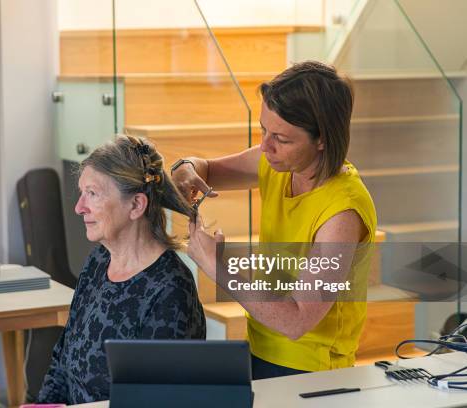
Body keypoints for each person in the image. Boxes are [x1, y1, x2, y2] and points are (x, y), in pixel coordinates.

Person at [172, 61, 376, 379]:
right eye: (264, 129)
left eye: (280, 137)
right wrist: (185, 168)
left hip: (312, 369)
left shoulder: (342, 214)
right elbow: (205, 168)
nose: (265, 146)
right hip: (260, 346)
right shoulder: (279, 162)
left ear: (322, 139)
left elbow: (296, 321)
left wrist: (216, 267)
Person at [37, 134, 206, 405]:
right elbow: (63, 361)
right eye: (82, 193)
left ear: (136, 205)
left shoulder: (170, 290)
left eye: (92, 194)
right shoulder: (98, 261)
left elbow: (154, 401)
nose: (79, 207)